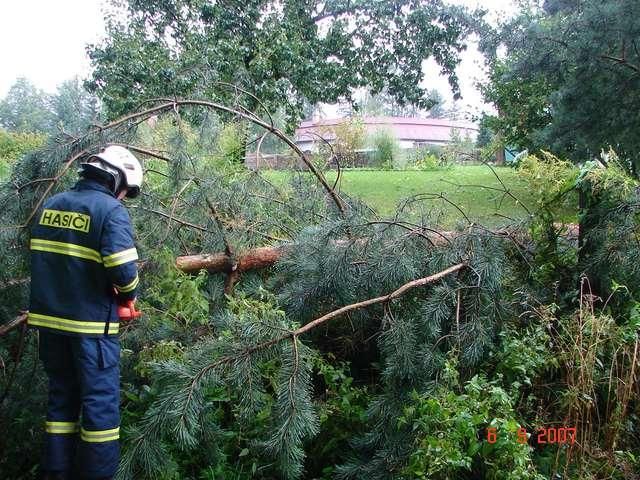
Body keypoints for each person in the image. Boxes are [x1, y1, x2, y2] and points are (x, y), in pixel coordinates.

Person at [28, 145, 143, 480]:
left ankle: (55, 473)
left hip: (49, 325)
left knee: (61, 402)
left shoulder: (52, 205)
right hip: (91, 330)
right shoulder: (110, 211)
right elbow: (123, 271)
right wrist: (127, 296)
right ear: (117, 180)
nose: (123, 197)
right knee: (100, 410)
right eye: (126, 191)